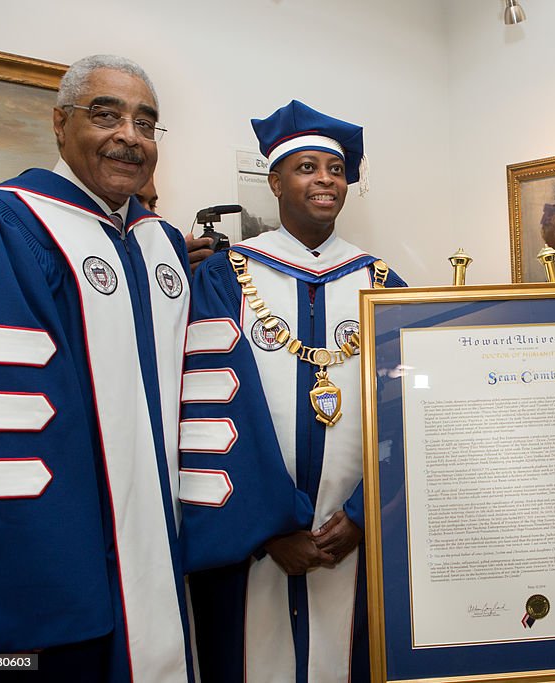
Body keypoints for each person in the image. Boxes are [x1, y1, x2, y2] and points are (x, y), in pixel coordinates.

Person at [0, 55, 194, 681]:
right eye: (106, 115)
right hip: (60, 565)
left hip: (163, 551)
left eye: (146, 124)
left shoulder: (160, 242)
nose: (129, 136)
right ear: (61, 125)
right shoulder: (0, 221)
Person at [180, 100, 405, 683]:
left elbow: (409, 410)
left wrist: (363, 517)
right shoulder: (225, 277)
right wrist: (271, 526)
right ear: (275, 181)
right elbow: (211, 404)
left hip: (353, 539)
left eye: (335, 169)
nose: (324, 180)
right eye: (306, 168)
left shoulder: (383, 284)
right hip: (254, 541)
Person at [136, 175, 215, 272]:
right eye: (136, 203)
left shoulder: (171, 238)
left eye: (152, 205)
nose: (148, 212)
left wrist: (180, 265)